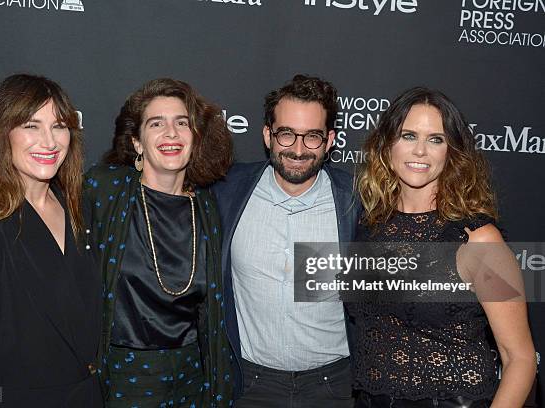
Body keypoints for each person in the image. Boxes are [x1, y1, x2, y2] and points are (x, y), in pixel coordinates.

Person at [349, 87, 536, 407]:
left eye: (435, 139)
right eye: (408, 135)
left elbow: (519, 357)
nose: (420, 150)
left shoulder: (477, 239)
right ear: (387, 145)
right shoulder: (371, 227)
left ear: (452, 152)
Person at [0, 74, 103, 407]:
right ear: (3, 134)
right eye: (31, 126)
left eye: (59, 126)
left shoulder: (81, 209)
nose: (49, 142)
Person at [84, 78, 234, 407]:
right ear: (137, 141)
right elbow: (41, 201)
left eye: (182, 122)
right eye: (156, 123)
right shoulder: (103, 190)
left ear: (196, 136)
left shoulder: (211, 204)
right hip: (124, 374)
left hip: (194, 375)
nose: (171, 133)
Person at [212, 74, 360, 407]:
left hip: (335, 386)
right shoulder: (226, 190)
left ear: (330, 140)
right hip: (250, 385)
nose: (297, 148)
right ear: (268, 135)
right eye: (286, 134)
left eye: (312, 137)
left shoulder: (357, 199)